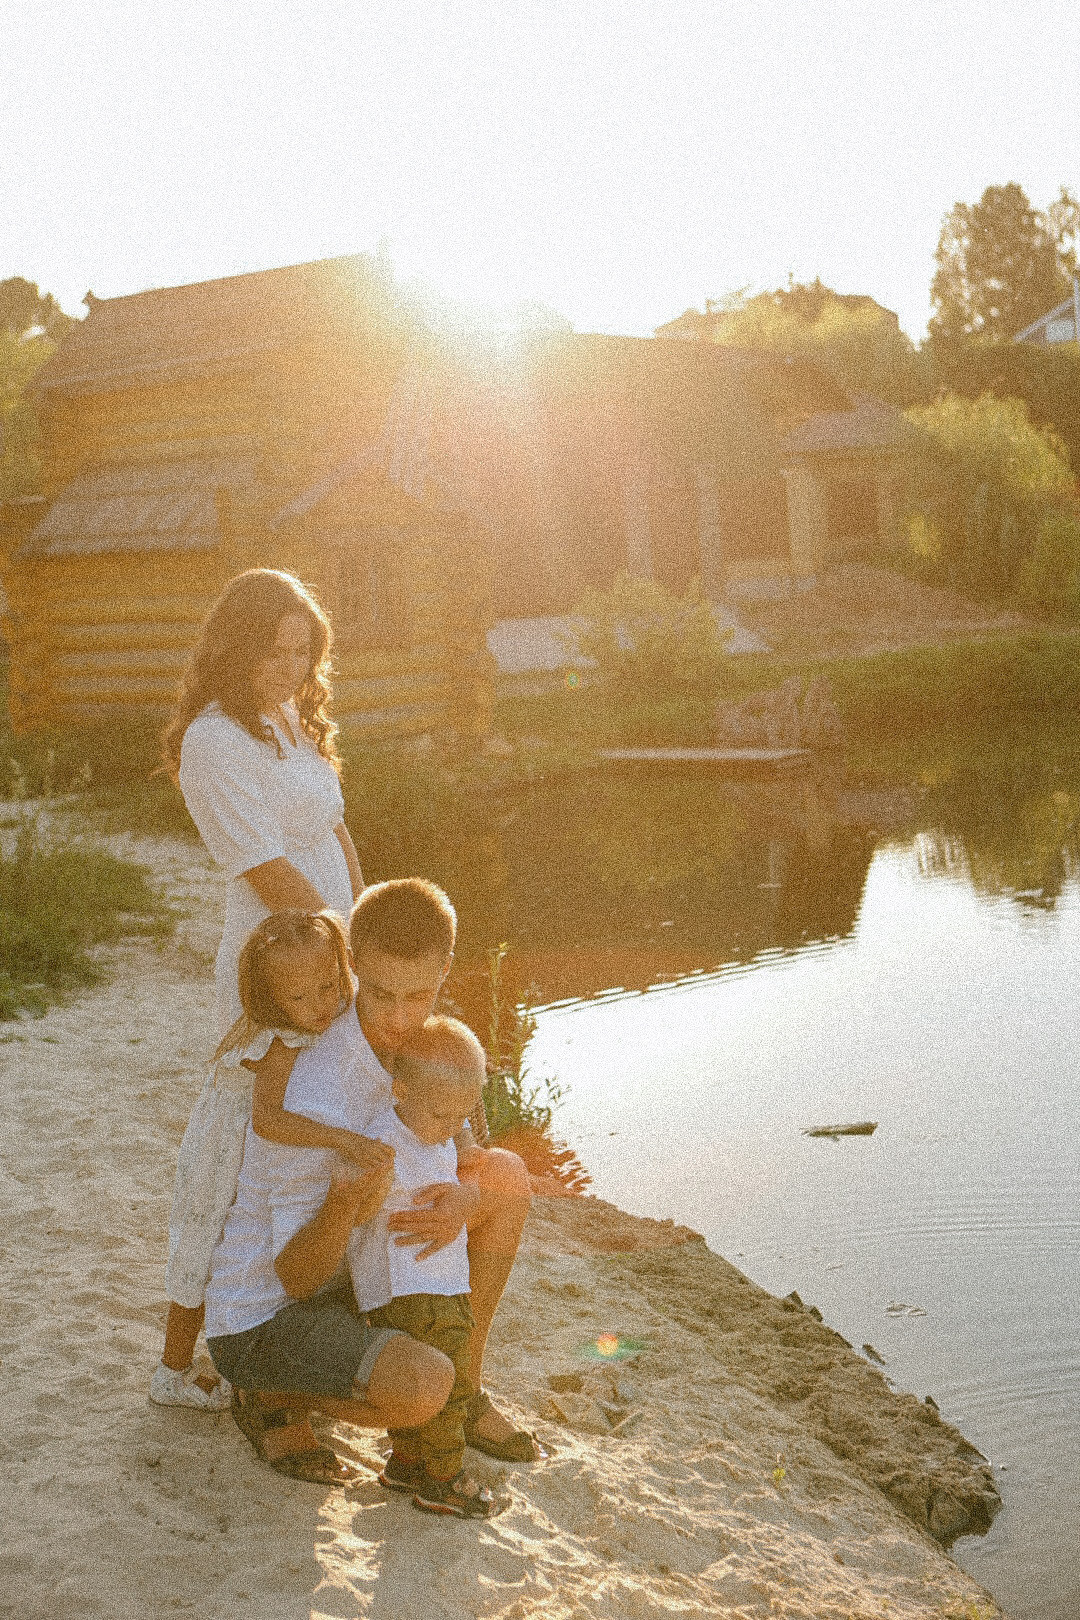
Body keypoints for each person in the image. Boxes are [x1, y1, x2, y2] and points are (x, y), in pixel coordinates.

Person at [153, 568, 367, 1404]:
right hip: (280, 964)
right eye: (274, 652)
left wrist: (368, 920)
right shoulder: (214, 740)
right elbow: (270, 873)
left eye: (303, 651)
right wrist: (344, 960)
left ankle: (287, 1325)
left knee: (311, 1143)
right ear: (235, 647)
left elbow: (334, 829)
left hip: (335, 951)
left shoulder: (290, 719)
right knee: (228, 1157)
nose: (289, 668)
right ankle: (175, 1367)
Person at [245, 877, 541, 1466]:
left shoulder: (439, 1046)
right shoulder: (315, 1057)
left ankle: (466, 1385)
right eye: (381, 994)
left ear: (445, 970)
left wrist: (464, 1196)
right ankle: (274, 1392)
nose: (402, 1016)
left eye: (420, 995)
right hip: (309, 1271)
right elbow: (290, 1254)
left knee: (507, 1176)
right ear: (354, 963)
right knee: (408, 1388)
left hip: (391, 1251)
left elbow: (470, 1149)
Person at [150, 911, 392, 1411]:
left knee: (226, 1246)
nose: (320, 1006)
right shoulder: (283, 1036)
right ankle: (171, 1371)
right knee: (201, 1248)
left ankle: (222, 1349)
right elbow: (268, 1120)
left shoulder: (324, 1016)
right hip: (221, 1149)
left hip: (240, 1142)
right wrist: (345, 1140)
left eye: (328, 987)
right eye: (299, 998)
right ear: (273, 999)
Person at [355, 1016, 495, 1517]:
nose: (450, 1128)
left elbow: (458, 1138)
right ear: (401, 1088)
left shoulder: (427, 1123)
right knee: (449, 1383)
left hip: (418, 1282)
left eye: (461, 1114)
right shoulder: (384, 1142)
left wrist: (467, 1171)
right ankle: (443, 1478)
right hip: (418, 1283)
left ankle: (406, 1461)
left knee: (420, 1381)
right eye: (440, 1115)